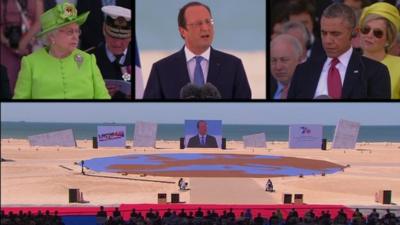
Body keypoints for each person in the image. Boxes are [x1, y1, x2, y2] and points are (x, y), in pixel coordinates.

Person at [143, 1, 252, 99]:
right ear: (182, 31)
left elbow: (245, 109)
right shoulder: (161, 69)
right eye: (198, 23)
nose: (205, 28)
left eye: (208, 22)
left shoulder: (233, 66)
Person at [288, 3, 391, 99]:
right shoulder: (303, 71)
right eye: (324, 33)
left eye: (335, 34)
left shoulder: (375, 73)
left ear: (354, 33)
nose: (327, 41)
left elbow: (379, 116)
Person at [12, 1, 110, 99]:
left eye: (77, 31)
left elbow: (103, 99)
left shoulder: (88, 60)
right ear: (51, 37)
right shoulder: (30, 63)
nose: (76, 37)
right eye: (70, 32)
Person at [0, 0, 44, 96]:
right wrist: (7, 42)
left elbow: (39, 21)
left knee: (32, 86)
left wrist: (23, 43)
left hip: (30, 46)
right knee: (8, 85)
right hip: (5, 50)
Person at [358, 2, 400, 99]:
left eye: (377, 33)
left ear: (388, 40)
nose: (369, 35)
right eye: (365, 29)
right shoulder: (346, 62)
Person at [92, 5, 131, 99]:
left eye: (123, 38)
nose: (117, 43)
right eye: (113, 37)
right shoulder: (90, 58)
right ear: (104, 30)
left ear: (131, 37)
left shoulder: (138, 61)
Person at [270, 34, 303, 99]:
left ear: (299, 60)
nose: (278, 67)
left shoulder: (311, 89)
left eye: (284, 60)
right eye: (273, 60)